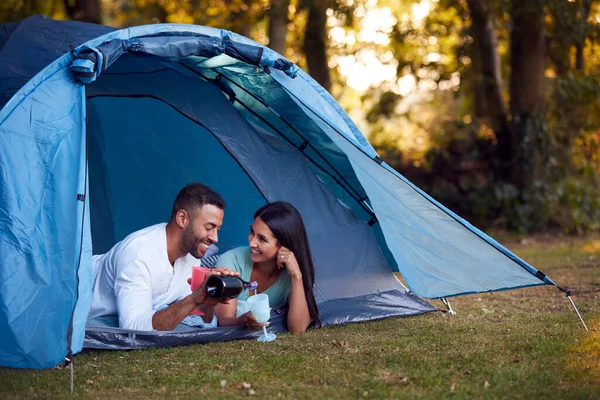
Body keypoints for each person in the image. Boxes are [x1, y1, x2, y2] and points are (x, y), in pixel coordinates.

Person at [88, 182, 239, 331]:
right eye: (209, 228)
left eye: (217, 229)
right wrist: (194, 299)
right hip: (78, 298)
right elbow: (133, 328)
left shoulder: (192, 254)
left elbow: (194, 314)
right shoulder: (138, 253)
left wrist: (209, 296)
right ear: (182, 218)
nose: (215, 238)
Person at [215, 201, 321, 333]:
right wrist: (243, 321)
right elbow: (224, 322)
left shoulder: (290, 274)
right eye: (252, 232)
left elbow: (298, 329)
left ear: (284, 245)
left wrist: (296, 276)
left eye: (262, 239)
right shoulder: (231, 262)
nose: (252, 242)